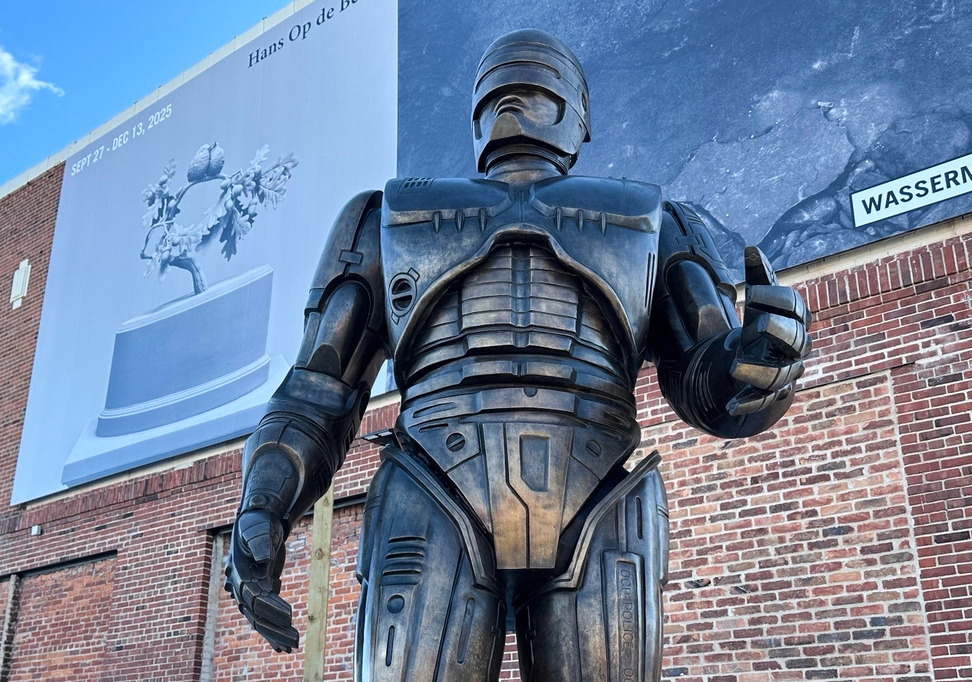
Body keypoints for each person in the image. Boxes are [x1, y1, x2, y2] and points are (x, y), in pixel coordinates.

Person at [225, 28, 811, 681]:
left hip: (581, 490)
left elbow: (711, 381)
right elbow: (318, 391)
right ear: (578, 120)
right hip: (446, 488)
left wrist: (758, 365)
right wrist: (264, 502)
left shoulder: (649, 220)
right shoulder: (392, 216)